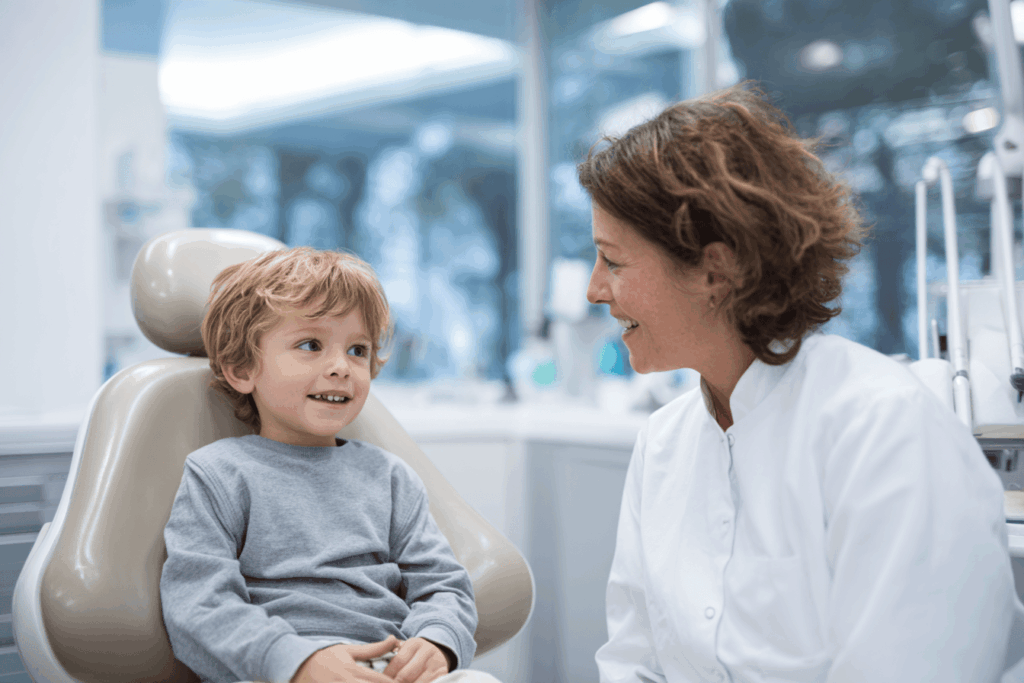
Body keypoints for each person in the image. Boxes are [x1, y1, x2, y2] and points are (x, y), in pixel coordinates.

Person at [579, 81, 1021, 682]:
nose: (594, 290)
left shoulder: (882, 430)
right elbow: (633, 663)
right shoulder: (663, 444)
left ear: (717, 269)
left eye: (615, 261)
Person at [160, 247, 496, 683]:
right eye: (310, 344)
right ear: (242, 368)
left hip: (387, 670)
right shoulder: (219, 475)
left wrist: (436, 641)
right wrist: (296, 662)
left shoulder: (391, 478)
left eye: (358, 349)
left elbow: (443, 584)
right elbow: (197, 603)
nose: (341, 367)